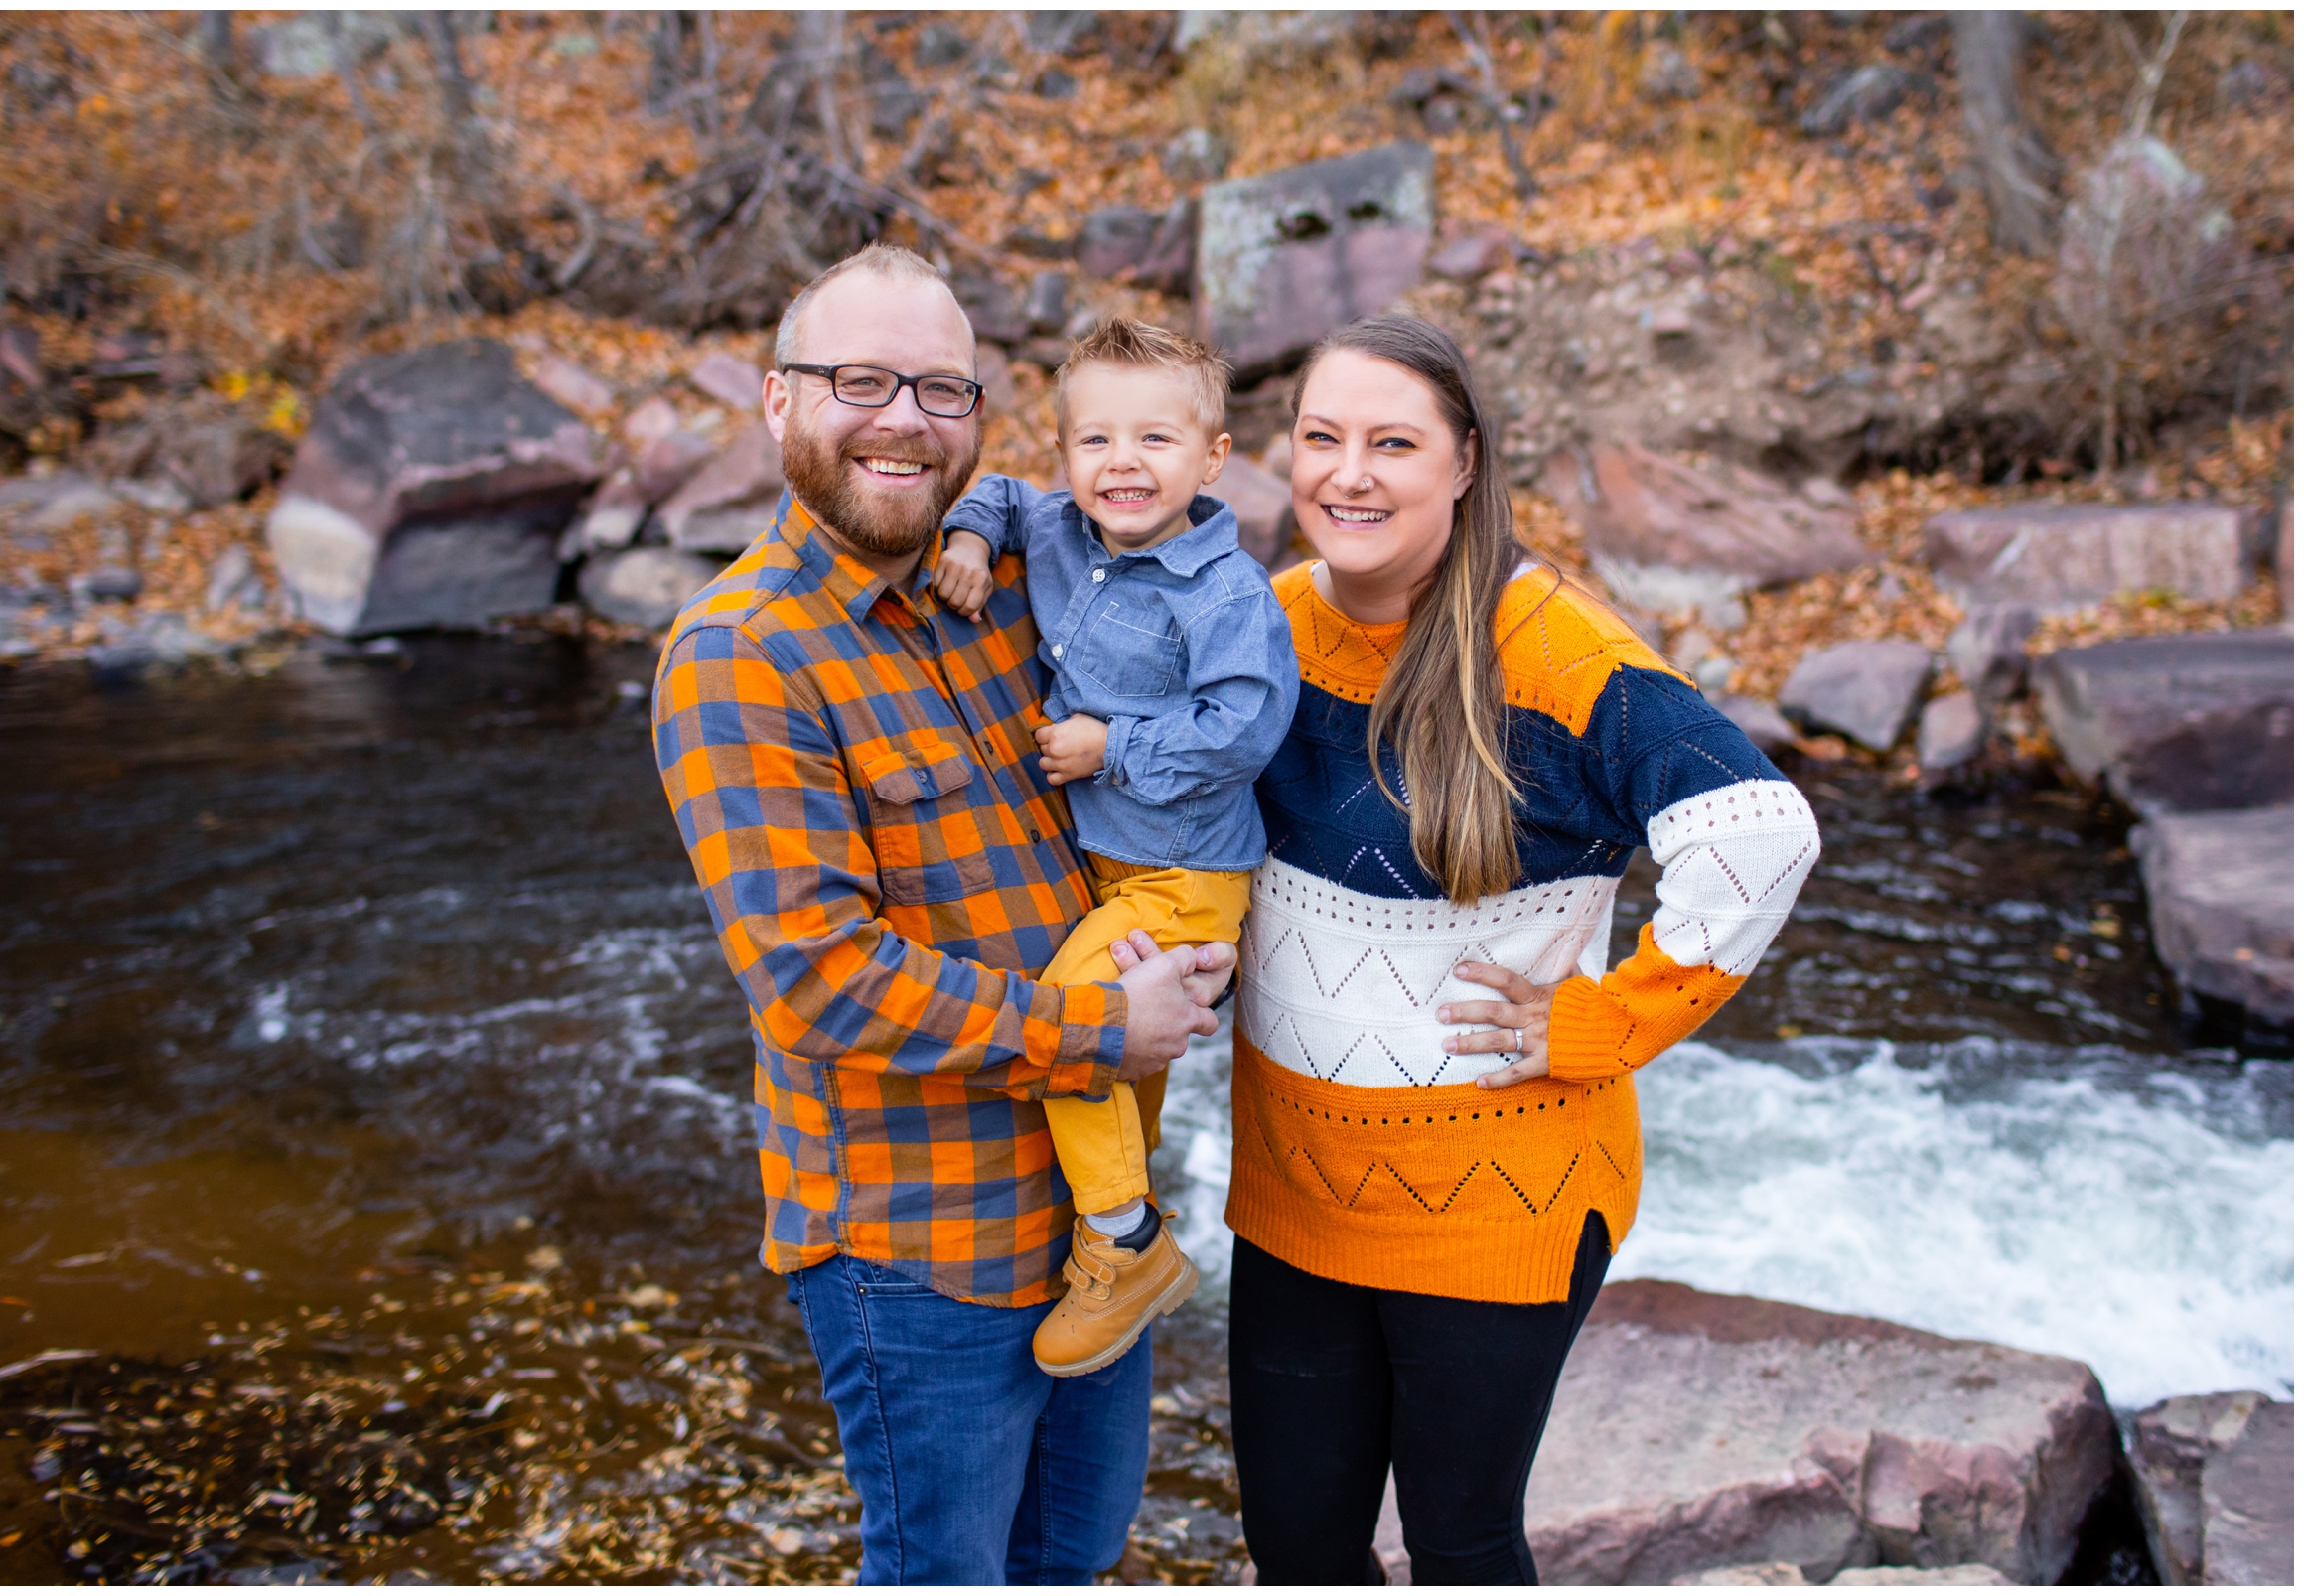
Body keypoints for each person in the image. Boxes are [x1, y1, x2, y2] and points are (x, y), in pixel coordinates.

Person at [1200, 314, 1823, 1583]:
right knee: (1298, 1547)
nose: (1348, 473)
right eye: (1321, 438)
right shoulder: (1265, 624)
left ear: (1466, 462)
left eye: (1392, 443)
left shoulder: (1555, 651)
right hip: (1293, 1188)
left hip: (1498, 1194)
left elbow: (1761, 830)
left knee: (1461, 1541)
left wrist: (1598, 1023)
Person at [648, 244, 1234, 1585]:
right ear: (778, 401)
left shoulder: (1008, 583)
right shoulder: (740, 652)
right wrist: (1099, 1029)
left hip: (1099, 1223)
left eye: (943, 389)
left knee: (1073, 1558)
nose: (905, 419)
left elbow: (1142, 509)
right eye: (862, 380)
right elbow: (815, 973)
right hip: (920, 1248)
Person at [933, 317, 1298, 1378]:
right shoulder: (1052, 529)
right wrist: (963, 536)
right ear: (1066, 454)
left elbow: (1242, 731)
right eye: (1095, 441)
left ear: (1212, 457)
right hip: (1103, 868)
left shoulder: (1224, 594)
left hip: (1187, 871)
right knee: (1124, 1071)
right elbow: (998, 495)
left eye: (1154, 441)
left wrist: (1110, 747)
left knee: (1077, 1027)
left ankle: (1127, 1243)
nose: (1122, 464)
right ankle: (1115, 1228)